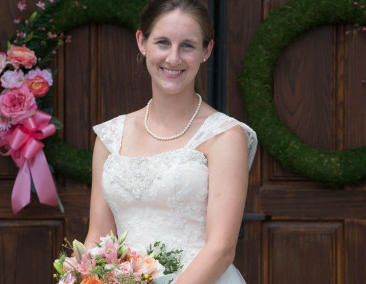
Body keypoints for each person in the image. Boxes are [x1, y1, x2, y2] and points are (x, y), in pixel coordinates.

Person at [84, 0, 257, 283]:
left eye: (187, 45)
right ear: (142, 42)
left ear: (206, 50)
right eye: (163, 42)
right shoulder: (110, 137)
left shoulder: (225, 136)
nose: (173, 58)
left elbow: (222, 248)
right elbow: (98, 238)